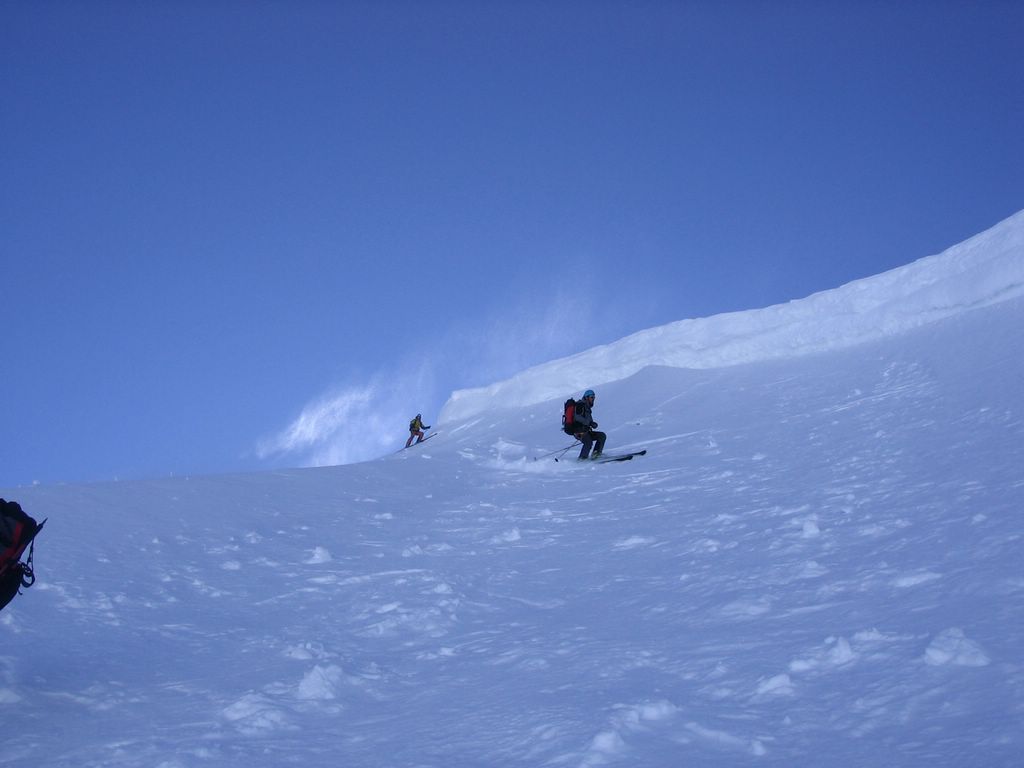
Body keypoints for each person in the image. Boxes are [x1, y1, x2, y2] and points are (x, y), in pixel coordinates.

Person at [572, 389, 606, 460]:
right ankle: (582, 459)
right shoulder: (580, 405)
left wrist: (592, 423)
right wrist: (589, 423)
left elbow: (587, 419)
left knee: (601, 436)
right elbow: (577, 417)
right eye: (591, 397)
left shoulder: (587, 407)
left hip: (586, 431)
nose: (593, 399)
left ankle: (596, 454)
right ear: (586, 397)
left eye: (594, 397)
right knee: (588, 442)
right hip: (579, 431)